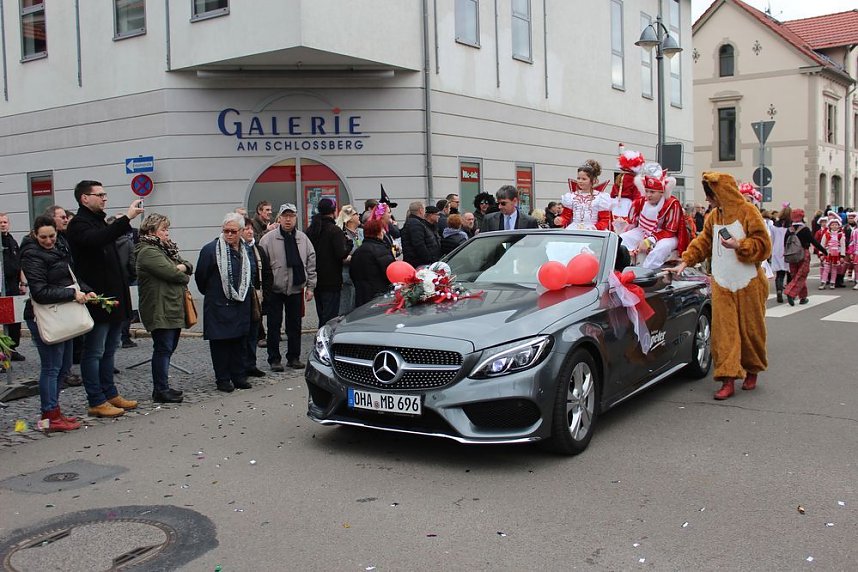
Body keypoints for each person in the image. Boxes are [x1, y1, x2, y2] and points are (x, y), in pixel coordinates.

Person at [668, 172, 771, 400]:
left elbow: (764, 245)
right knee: (723, 333)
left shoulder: (748, 211)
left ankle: (752, 369)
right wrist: (685, 261)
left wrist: (739, 245)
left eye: (710, 194)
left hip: (748, 282)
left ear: (721, 193)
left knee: (751, 330)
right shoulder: (714, 216)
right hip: (722, 282)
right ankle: (727, 378)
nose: (707, 199)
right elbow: (703, 242)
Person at [66, 180, 143, 417]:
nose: (104, 198)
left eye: (104, 194)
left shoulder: (98, 220)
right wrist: (126, 218)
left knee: (110, 349)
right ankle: (96, 399)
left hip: (114, 297)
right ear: (84, 198)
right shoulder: (79, 224)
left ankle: (110, 393)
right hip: (96, 298)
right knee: (94, 351)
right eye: (99, 194)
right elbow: (98, 239)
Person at [19, 216, 96, 431]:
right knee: (51, 368)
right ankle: (49, 415)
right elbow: (40, 292)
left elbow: (69, 277)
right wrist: (72, 294)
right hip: (46, 317)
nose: (48, 241)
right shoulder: (32, 255)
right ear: (35, 234)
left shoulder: (59, 247)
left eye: (51, 236)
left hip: (62, 315)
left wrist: (85, 289)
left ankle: (54, 411)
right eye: (43, 237)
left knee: (63, 367)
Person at [135, 213, 194, 403]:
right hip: (159, 308)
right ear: (152, 231)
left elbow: (187, 265)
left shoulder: (166, 249)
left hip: (171, 306)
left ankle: (163, 387)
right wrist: (181, 270)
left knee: (169, 348)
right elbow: (174, 274)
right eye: (164, 229)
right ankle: (160, 389)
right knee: (163, 348)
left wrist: (181, 268)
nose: (167, 233)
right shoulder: (148, 252)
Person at [195, 213, 253, 392]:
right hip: (218, 304)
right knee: (220, 344)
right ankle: (223, 379)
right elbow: (201, 278)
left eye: (233, 231)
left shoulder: (246, 249)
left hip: (240, 304)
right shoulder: (210, 250)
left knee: (239, 342)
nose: (229, 234)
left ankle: (239, 376)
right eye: (226, 230)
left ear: (241, 231)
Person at [259, 203, 316, 371]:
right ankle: (274, 359)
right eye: (285, 216)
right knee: (274, 325)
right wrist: (263, 289)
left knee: (295, 325)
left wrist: (311, 287)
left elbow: (311, 263)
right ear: (280, 218)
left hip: (296, 288)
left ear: (296, 218)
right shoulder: (268, 239)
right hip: (275, 289)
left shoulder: (303, 239)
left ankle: (294, 357)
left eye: (291, 216)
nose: (288, 219)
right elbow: (261, 265)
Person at [619, 165, 686, 269]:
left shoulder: (672, 204)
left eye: (652, 192)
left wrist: (649, 240)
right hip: (644, 231)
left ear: (661, 192)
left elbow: (670, 231)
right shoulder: (641, 201)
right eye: (646, 191)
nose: (648, 195)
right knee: (622, 239)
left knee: (661, 248)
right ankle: (621, 267)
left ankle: (647, 271)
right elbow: (633, 222)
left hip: (667, 236)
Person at [43, 205, 82, 386]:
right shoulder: (38, 248)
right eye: (62, 217)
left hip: (66, 299)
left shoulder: (64, 240)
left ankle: (65, 375)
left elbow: (70, 270)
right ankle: (51, 400)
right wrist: (72, 292)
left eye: (66, 217)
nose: (66, 220)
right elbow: (43, 287)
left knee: (66, 354)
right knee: (52, 366)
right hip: (53, 303)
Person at [306, 198, 350, 327]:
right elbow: (341, 254)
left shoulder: (312, 229)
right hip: (332, 279)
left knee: (322, 313)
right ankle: (324, 337)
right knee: (330, 317)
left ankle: (321, 334)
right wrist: (349, 244)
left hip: (316, 278)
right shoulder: (334, 230)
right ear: (334, 211)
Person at [241, 218, 269, 379]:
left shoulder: (258, 249)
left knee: (254, 331)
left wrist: (266, 294)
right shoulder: (237, 250)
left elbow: (267, 272)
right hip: (241, 297)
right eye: (246, 229)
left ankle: (251, 364)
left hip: (256, 296)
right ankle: (241, 366)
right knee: (242, 334)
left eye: (251, 228)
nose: (250, 231)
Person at [555, 160, 614, 230]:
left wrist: (595, 227)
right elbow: (566, 216)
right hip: (574, 229)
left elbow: (604, 220)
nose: (580, 181)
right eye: (578, 178)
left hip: (593, 230)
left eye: (584, 179)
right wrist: (560, 220)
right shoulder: (571, 196)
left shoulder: (600, 198)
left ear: (593, 180)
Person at [783, 209, 826, 306]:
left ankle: (803, 297)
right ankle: (790, 292)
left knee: (795, 275)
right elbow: (813, 241)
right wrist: (824, 251)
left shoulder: (789, 229)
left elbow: (785, 243)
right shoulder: (805, 229)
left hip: (792, 254)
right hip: (803, 253)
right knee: (801, 275)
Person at [350, 217, 395, 306]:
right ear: (378, 232)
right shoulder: (381, 250)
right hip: (379, 295)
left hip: (361, 296)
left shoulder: (358, 251)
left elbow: (353, 273)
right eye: (382, 230)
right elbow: (390, 272)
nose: (384, 232)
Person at [0, 213, 25, 363]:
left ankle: (12, 348)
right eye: (0, 222)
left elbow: (20, 264)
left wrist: (23, 283)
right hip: (2, 286)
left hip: (13, 286)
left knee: (15, 320)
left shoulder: (12, 241)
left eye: (5, 222)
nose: (3, 224)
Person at [335, 205, 362, 315]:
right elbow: (339, 255)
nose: (358, 216)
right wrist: (353, 257)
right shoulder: (341, 234)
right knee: (346, 308)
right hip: (347, 277)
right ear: (349, 218)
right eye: (355, 214)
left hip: (359, 277)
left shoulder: (361, 232)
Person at [401, 201, 441, 268]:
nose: (425, 212)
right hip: (419, 263)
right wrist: (428, 259)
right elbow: (419, 244)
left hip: (417, 261)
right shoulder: (415, 223)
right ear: (420, 210)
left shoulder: (415, 222)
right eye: (424, 210)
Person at [819, 215, 846, 290]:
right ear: (830, 226)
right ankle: (823, 282)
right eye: (832, 225)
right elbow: (822, 244)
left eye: (836, 225)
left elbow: (843, 246)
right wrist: (821, 254)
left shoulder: (840, 235)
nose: (834, 226)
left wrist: (842, 256)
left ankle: (832, 282)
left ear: (838, 226)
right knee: (826, 268)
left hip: (836, 255)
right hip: (828, 254)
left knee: (834, 269)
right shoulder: (826, 234)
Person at [770, 206, 791, 303]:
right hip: (788, 250)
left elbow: (772, 239)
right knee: (790, 273)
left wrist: (771, 250)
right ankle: (790, 292)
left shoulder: (774, 225)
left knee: (779, 274)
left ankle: (779, 290)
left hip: (777, 250)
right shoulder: (791, 226)